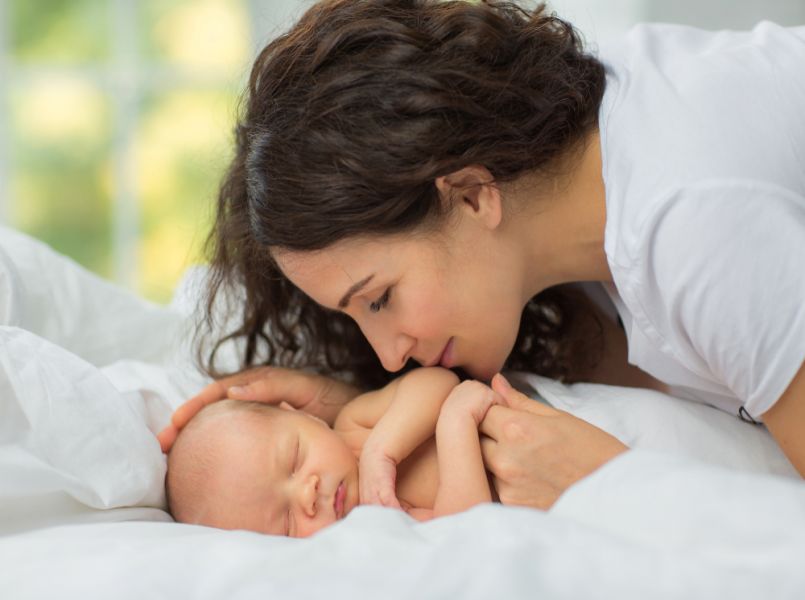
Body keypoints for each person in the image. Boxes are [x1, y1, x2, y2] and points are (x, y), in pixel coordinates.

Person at [162, 0, 805, 509]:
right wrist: (345, 416)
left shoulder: (692, 227)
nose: (388, 355)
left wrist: (608, 482)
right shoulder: (571, 199)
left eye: (379, 299)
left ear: (471, 195)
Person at [166, 368, 608, 535]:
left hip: (570, 421)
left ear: (303, 416)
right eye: (286, 523)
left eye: (295, 459)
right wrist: (455, 425)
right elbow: (467, 526)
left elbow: (434, 383)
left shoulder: (355, 425)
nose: (308, 493)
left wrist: (382, 449)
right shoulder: (378, 524)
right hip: (574, 494)